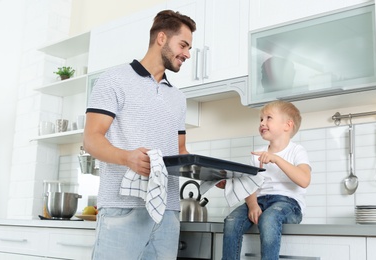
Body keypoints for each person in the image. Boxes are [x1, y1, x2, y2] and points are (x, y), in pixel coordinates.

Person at [83, 10, 196, 260]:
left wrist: (215, 173)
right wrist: (127, 158)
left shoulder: (178, 98)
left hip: (167, 214)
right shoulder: (113, 80)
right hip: (122, 209)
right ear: (162, 38)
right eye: (183, 45)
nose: (188, 54)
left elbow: (180, 151)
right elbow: (91, 139)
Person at [222, 100, 311, 260]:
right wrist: (253, 205)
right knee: (231, 220)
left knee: (269, 218)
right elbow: (249, 185)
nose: (262, 122)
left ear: (287, 125)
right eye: (261, 119)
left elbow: (304, 180)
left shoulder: (297, 151)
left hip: (289, 204)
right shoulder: (257, 154)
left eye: (268, 118)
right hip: (260, 201)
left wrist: (276, 159)